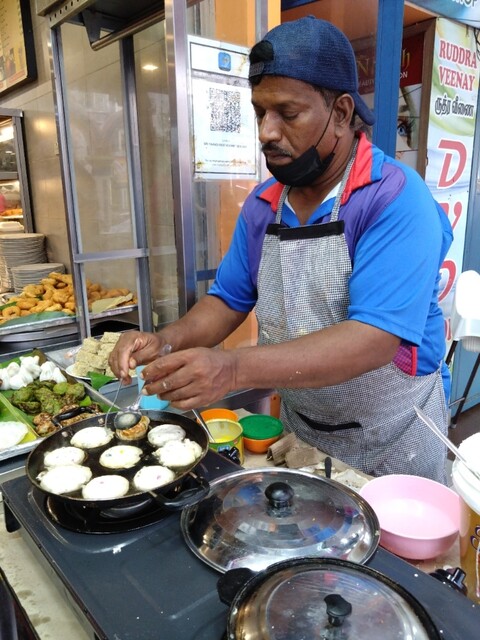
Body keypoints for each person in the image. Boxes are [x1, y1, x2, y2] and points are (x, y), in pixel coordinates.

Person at [109, 16, 453, 483]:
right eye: (260, 113)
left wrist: (232, 369)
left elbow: (373, 338)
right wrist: (166, 340)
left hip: (394, 439)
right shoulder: (264, 205)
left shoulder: (393, 198)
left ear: (340, 112)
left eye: (287, 114)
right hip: (303, 430)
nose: (266, 132)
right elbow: (228, 300)